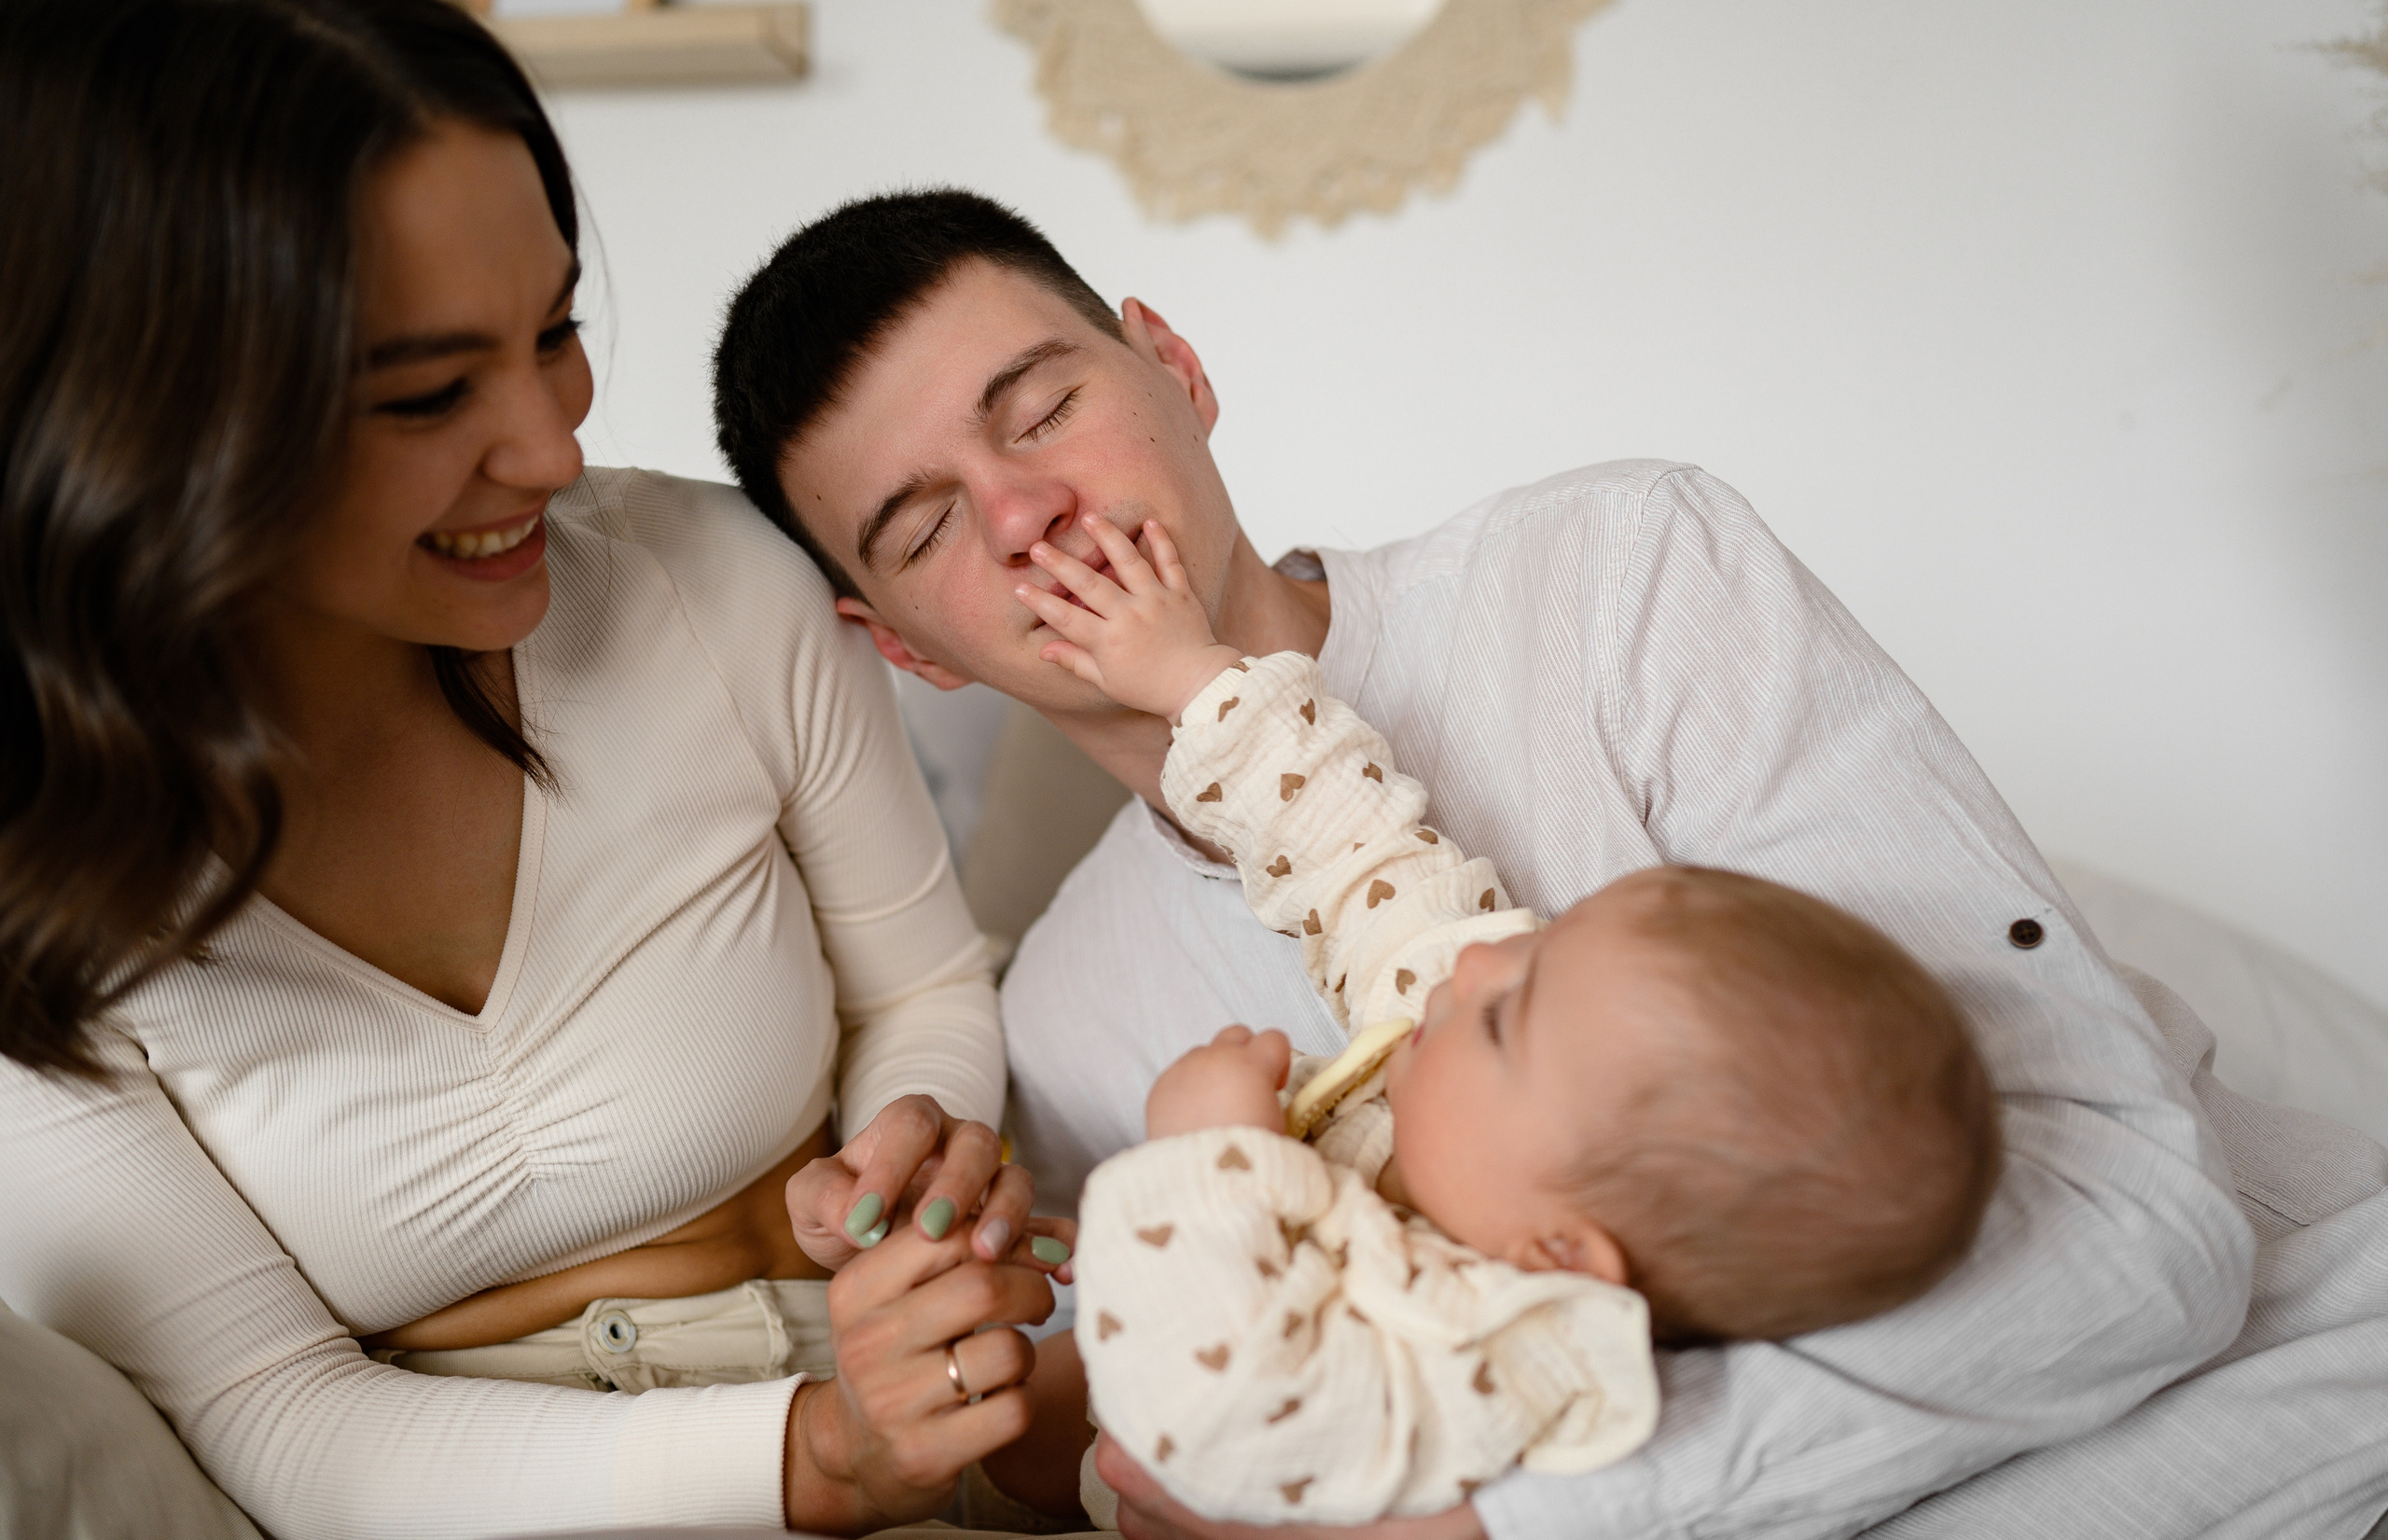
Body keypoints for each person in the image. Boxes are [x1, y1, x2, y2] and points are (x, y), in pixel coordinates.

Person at [714, 187, 2388, 1540]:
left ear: (1176, 365)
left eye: (1044, 409)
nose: (1025, 515)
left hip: (2290, 1395)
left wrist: (1497, 1520)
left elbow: (2136, 1233)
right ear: (902, 646)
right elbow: (1167, 1413)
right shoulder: (1078, 1018)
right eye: (927, 526)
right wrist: (968, 1371)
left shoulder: (1621, 580)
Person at [0, 0, 1070, 1538]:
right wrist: (812, 1457)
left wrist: (917, 1150)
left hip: (909, 1415)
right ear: (150, 428)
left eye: (555, 329)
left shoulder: (711, 583)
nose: (557, 447)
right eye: (431, 393)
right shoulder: (44, 877)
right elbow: (271, 1410)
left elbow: (917, 986)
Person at [1021, 517, 1996, 1522]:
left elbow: (1217, 1422)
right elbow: (1362, 859)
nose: (1480, 960)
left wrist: (1209, 1154)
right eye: (1541, 946)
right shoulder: (1482, 1075)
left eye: (1503, 1020)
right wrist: (1199, 687)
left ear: (1557, 1256)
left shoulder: (1494, 1352)